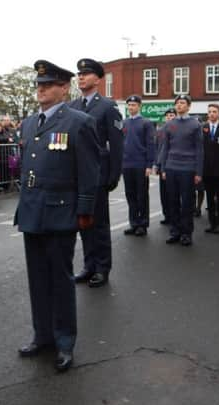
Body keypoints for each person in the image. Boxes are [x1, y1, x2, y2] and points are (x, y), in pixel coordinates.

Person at [15, 60, 100, 373]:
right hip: (32, 210)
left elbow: (89, 171)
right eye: (39, 85)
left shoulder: (79, 122)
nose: (42, 90)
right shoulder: (27, 123)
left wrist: (85, 209)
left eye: (48, 84)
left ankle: (65, 342)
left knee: (60, 280)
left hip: (61, 211)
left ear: (65, 88)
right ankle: (43, 336)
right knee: (37, 278)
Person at [70, 58, 124, 288]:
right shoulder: (72, 106)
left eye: (87, 73)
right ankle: (88, 265)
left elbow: (117, 143)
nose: (81, 77)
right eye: (79, 73)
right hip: (77, 176)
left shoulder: (107, 107)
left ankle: (102, 267)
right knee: (83, 223)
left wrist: (113, 175)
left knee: (99, 224)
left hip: (99, 174)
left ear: (98, 79)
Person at [160, 95, 203, 246]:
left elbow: (199, 149)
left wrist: (198, 172)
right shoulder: (169, 124)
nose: (179, 105)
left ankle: (186, 233)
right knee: (172, 201)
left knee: (187, 203)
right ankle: (175, 231)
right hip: (171, 167)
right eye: (177, 103)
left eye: (182, 103)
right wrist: (163, 168)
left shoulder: (195, 124)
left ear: (189, 106)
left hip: (188, 168)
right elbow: (165, 148)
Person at [121, 94, 155, 237]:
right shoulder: (124, 123)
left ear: (139, 106)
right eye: (129, 105)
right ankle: (134, 223)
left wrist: (149, 165)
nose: (131, 107)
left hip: (140, 164)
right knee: (130, 195)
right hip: (126, 164)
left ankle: (143, 224)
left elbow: (150, 145)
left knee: (142, 196)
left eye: (134, 105)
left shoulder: (146, 123)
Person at [202, 104, 219, 234]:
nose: (211, 114)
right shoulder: (203, 128)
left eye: (214, 112)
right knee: (210, 198)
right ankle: (212, 223)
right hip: (207, 170)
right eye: (210, 112)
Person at [155, 108, 176, 225]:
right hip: (162, 164)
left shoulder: (178, 128)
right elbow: (157, 148)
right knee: (163, 193)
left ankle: (174, 216)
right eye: (167, 116)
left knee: (173, 193)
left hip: (173, 164)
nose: (169, 117)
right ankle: (167, 215)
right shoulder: (160, 130)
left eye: (172, 115)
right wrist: (156, 163)